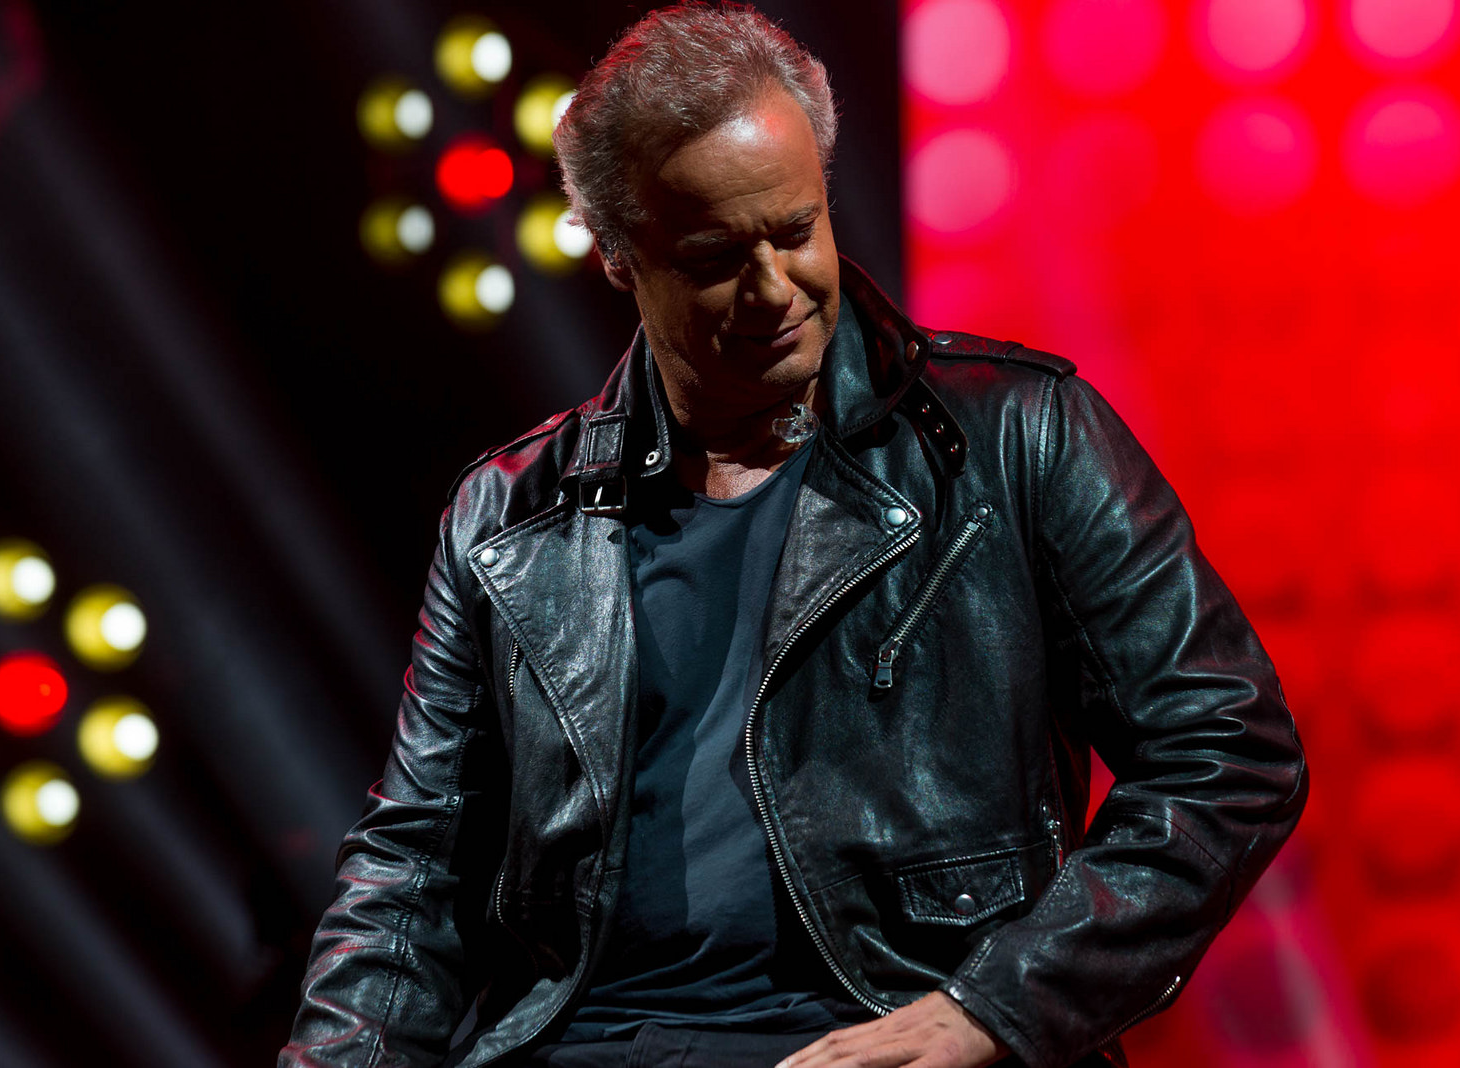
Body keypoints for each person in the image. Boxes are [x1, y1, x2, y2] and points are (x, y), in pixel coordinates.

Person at [279, 5, 1308, 1067]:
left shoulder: (1017, 436)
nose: (775, 289)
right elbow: (413, 872)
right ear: (621, 258)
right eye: (718, 256)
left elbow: (1229, 749)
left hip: (887, 1031)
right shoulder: (509, 517)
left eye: (796, 231)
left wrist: (995, 1008)